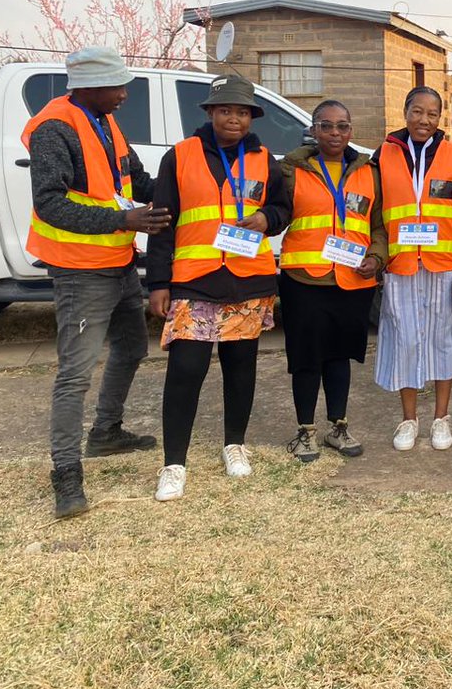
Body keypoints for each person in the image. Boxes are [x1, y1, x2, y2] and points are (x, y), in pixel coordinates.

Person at [24, 46, 169, 519]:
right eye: (117, 87)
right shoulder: (55, 128)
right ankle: (66, 473)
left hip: (118, 261)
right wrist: (123, 218)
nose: (125, 94)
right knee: (75, 374)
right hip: (79, 270)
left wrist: (186, 190)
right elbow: (51, 203)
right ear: (87, 86)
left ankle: (106, 432)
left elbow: (135, 181)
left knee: (131, 348)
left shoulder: (104, 120)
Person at [146, 76, 291, 501]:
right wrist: (158, 282)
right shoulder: (180, 156)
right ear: (210, 113)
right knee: (186, 371)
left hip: (249, 278)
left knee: (240, 367)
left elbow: (284, 209)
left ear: (251, 117)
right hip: (195, 279)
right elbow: (161, 220)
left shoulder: (266, 160)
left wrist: (268, 219)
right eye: (226, 110)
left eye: (242, 111)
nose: (234, 118)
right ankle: (174, 464)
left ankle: (234, 445)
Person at [372, 86, 452, 451]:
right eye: (417, 112)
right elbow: (373, 213)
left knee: (442, 340)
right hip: (400, 265)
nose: (424, 120)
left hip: (444, 267)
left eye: (432, 114)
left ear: (441, 119)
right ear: (405, 112)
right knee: (405, 339)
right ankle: (408, 420)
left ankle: (440, 419)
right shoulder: (384, 153)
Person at [278, 99, 386, 461]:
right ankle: (305, 431)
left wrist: (376, 257)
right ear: (313, 129)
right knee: (306, 358)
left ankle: (337, 427)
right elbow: (276, 213)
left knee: (340, 357)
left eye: (342, 126)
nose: (335, 133)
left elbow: (378, 226)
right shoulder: (293, 170)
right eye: (326, 125)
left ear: (351, 131)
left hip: (352, 281)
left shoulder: (368, 172)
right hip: (304, 279)